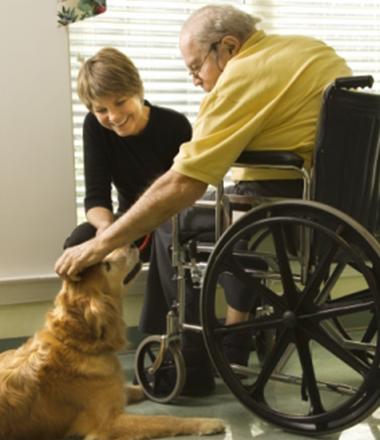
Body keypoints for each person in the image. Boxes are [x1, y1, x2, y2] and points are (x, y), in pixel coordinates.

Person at [56, 5, 352, 395]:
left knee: (171, 224)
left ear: (227, 47)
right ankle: (230, 341)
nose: (195, 80)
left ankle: (192, 356)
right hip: (337, 209)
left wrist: (104, 243)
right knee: (210, 217)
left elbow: (181, 186)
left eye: (197, 67)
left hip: (280, 208)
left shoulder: (241, 77)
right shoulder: (313, 50)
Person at [63, 47, 192, 261]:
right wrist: (106, 229)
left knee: (168, 236)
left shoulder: (174, 126)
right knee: (79, 239)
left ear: (139, 90)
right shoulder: (95, 127)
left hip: (169, 224)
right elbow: (96, 197)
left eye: (120, 102)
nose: (113, 116)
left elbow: (179, 196)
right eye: (101, 110)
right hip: (126, 226)